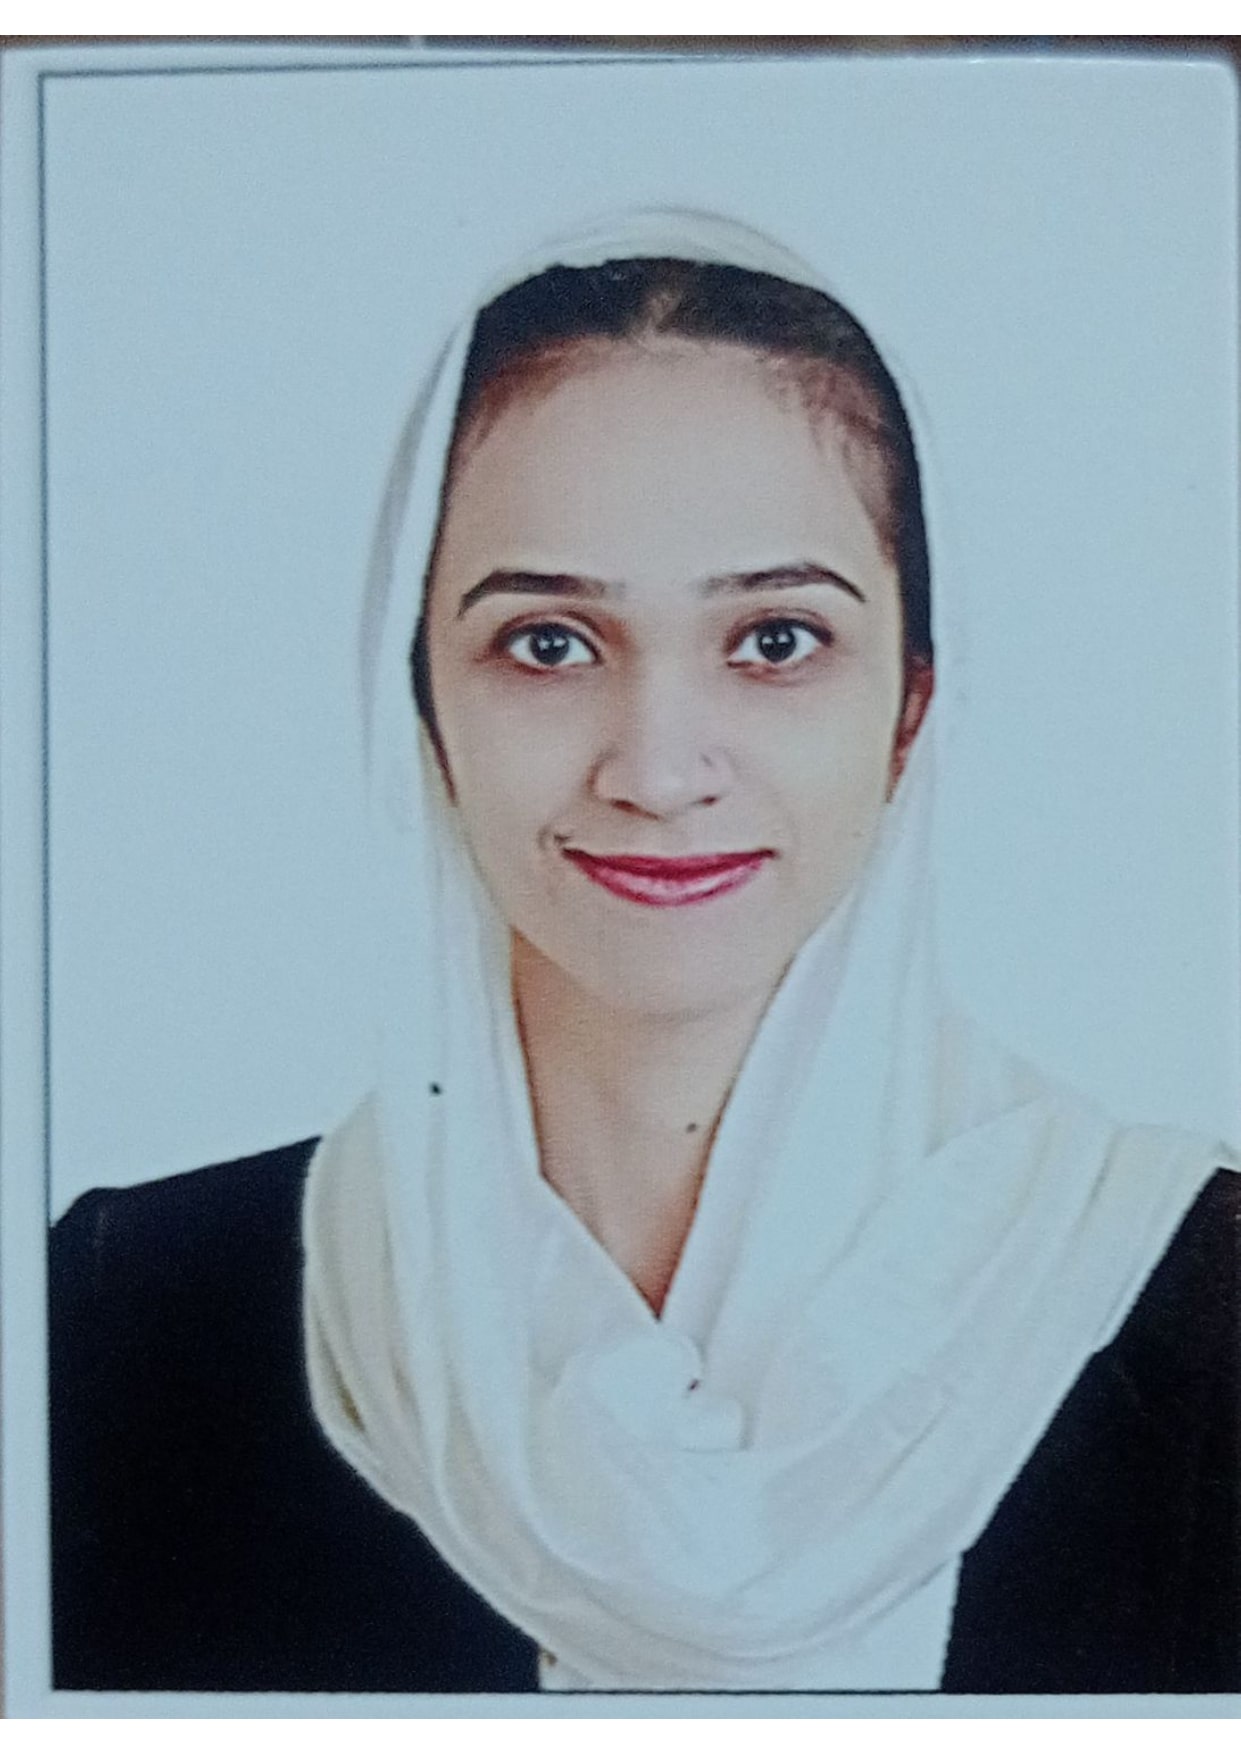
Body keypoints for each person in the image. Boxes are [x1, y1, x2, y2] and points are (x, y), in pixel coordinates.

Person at [49, 210, 1240, 1695]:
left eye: (775, 640)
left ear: (910, 707)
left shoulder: (1204, 1313)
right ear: (420, 705)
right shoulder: (124, 1317)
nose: (661, 770)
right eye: (548, 642)